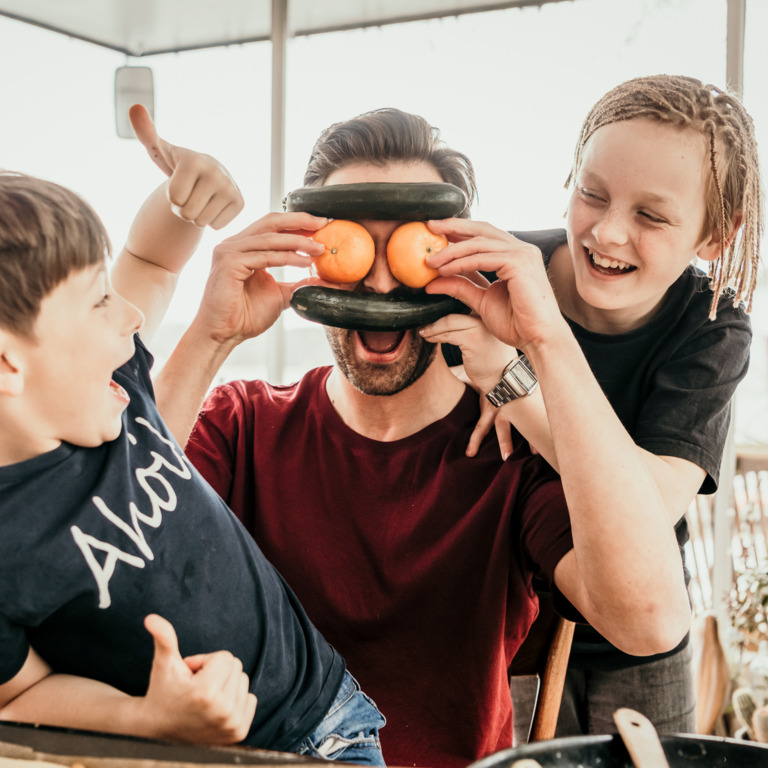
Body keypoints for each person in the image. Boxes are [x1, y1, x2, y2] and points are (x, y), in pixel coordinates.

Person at [156, 107, 691, 768]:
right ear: (312, 258)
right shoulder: (243, 425)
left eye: (408, 255)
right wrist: (209, 336)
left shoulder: (512, 451)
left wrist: (545, 340)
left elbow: (652, 623)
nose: (380, 282)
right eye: (352, 250)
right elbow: (98, 539)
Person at [0, 106, 386, 766]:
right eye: (98, 298)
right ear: (9, 363)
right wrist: (147, 718)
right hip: (193, 757)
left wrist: (183, 201)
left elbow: (149, 261)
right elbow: (18, 698)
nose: (130, 316)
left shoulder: (111, 387)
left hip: (332, 712)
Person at [431, 73, 763, 737]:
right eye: (592, 194)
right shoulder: (486, 277)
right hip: (499, 628)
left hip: (639, 641)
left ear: (714, 238)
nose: (608, 233)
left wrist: (513, 383)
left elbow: (648, 509)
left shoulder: (710, 327)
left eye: (651, 215)